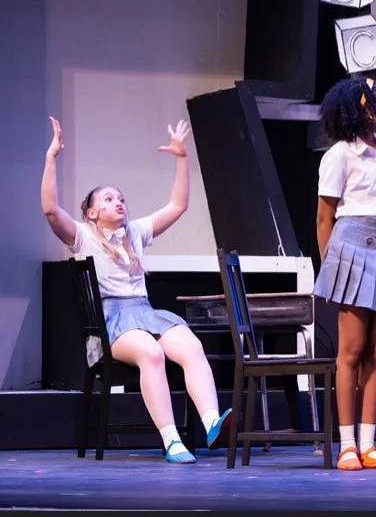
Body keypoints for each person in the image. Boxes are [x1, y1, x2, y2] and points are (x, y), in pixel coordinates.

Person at [40, 116, 232, 464]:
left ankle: (212, 423)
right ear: (92, 212)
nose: (119, 202)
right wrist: (51, 157)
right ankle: (171, 439)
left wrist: (182, 157)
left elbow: (177, 206)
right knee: (152, 353)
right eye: (109, 199)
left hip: (144, 312)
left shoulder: (135, 232)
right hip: (110, 322)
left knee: (191, 346)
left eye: (121, 198)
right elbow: (51, 211)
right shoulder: (82, 236)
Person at [314, 75, 376, 471]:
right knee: (350, 351)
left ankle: (369, 446)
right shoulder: (340, 155)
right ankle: (347, 445)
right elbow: (324, 218)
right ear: (364, 109)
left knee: (375, 350)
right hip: (352, 249)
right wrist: (331, 271)